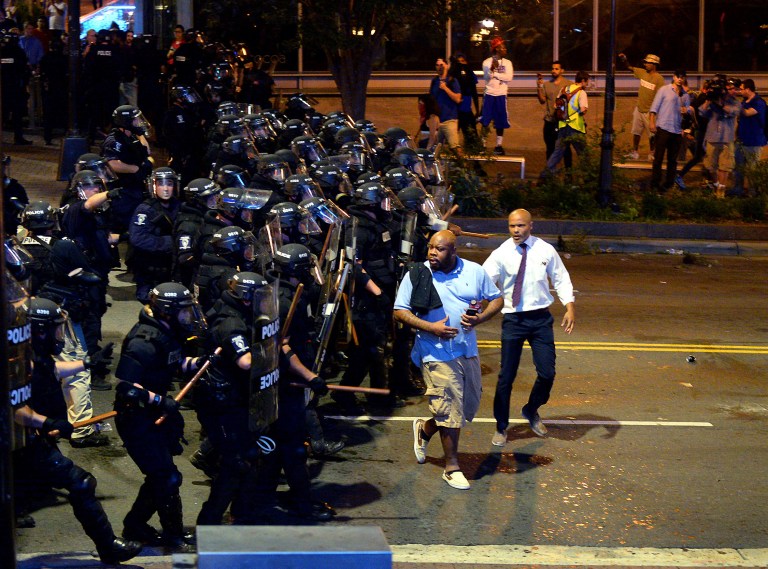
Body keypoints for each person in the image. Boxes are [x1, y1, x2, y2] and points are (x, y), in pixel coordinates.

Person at [11, 294, 143, 564]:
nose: (59, 334)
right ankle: (108, 547)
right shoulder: (19, 361)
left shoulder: (29, 352)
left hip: (29, 439)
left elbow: (51, 370)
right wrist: (46, 422)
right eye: (55, 328)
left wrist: (86, 364)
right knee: (80, 482)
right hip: (22, 437)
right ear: (38, 330)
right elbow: (13, 408)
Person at [394, 230, 503, 490]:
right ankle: (451, 467)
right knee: (449, 406)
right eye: (430, 247)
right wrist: (431, 328)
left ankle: (426, 428)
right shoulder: (418, 273)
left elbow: (496, 299)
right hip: (434, 350)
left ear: (453, 251)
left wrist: (480, 318)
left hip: (466, 349)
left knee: (466, 408)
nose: (432, 253)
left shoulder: (474, 271)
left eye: (439, 249)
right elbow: (400, 311)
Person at [114, 283, 204, 549]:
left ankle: (136, 526)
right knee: (166, 477)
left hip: (154, 415)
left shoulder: (167, 332)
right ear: (167, 312)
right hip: (137, 419)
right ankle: (171, 534)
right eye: (184, 312)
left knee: (162, 476)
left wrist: (199, 363)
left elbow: (174, 363)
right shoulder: (143, 340)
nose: (189, 317)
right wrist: (159, 400)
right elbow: (127, 386)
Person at [482, 209, 575, 445]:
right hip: (514, 320)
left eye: (521, 226)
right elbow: (483, 280)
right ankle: (501, 426)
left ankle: (531, 409)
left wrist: (569, 306)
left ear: (530, 226)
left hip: (541, 320)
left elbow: (561, 277)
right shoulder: (501, 253)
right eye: (512, 226)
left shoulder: (544, 250)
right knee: (506, 377)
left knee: (547, 373)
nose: (516, 230)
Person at [128, 167, 181, 302]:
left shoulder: (178, 206)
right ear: (153, 186)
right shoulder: (145, 209)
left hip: (170, 268)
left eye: (169, 184)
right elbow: (138, 238)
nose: (165, 188)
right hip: (150, 270)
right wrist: (171, 243)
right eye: (161, 184)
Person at [649, 69, 692, 192]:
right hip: (663, 128)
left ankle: (668, 183)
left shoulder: (685, 95)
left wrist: (686, 110)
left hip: (677, 130)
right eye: (678, 76)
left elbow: (688, 112)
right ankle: (655, 183)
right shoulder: (664, 90)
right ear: (673, 77)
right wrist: (652, 122)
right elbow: (654, 107)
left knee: (672, 160)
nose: (680, 79)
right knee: (658, 158)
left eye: (682, 77)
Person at [540, 71, 590, 177]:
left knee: (557, 153)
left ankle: (545, 175)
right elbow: (583, 110)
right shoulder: (582, 93)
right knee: (583, 153)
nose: (587, 84)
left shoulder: (564, 89)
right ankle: (589, 178)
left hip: (562, 126)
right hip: (576, 128)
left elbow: (555, 106)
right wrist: (578, 113)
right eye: (587, 82)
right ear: (583, 81)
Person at [697, 77, 740, 197]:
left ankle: (721, 191)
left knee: (724, 166)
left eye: (733, 89)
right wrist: (708, 100)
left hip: (727, 139)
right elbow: (702, 112)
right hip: (712, 138)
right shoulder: (713, 101)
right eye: (729, 88)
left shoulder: (735, 102)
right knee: (710, 166)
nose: (731, 91)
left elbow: (732, 111)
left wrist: (720, 104)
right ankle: (716, 184)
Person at [618, 53, 665, 160]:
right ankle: (635, 152)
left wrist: (656, 112)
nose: (646, 64)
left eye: (648, 62)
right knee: (636, 132)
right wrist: (624, 59)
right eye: (646, 62)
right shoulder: (642, 72)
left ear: (654, 64)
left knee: (652, 135)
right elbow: (629, 68)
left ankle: (652, 153)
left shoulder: (659, 79)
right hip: (639, 108)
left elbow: (661, 97)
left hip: (650, 111)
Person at [730, 79, 767, 197]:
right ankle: (738, 189)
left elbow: (746, 113)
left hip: (754, 141)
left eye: (741, 89)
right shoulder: (745, 101)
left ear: (748, 89)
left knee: (752, 168)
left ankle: (753, 192)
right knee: (739, 167)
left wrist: (736, 103)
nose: (740, 91)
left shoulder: (759, 102)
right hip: (742, 140)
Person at [479, 37, 513, 156]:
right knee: (485, 120)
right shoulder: (487, 62)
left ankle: (499, 145)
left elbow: (509, 77)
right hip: (489, 94)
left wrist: (496, 74)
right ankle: (482, 145)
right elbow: (488, 77)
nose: (505, 49)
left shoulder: (508, 62)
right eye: (503, 47)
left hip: (501, 94)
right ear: (497, 48)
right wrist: (492, 70)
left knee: (500, 120)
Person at [536, 61, 573, 167]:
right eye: (552, 69)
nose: (554, 71)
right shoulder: (547, 85)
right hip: (550, 121)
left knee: (565, 148)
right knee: (550, 148)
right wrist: (539, 86)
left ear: (562, 71)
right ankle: (550, 174)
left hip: (563, 121)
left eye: (556, 69)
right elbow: (542, 100)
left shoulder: (568, 84)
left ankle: (568, 174)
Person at [429, 58, 463, 156]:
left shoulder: (452, 81)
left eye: (441, 65)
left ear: (447, 66)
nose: (439, 67)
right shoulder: (434, 81)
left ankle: (463, 167)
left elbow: (457, 98)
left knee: (455, 147)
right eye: (437, 65)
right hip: (437, 121)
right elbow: (431, 100)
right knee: (435, 150)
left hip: (450, 120)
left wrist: (445, 88)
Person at [450, 52, 480, 145]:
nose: (461, 64)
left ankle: (473, 156)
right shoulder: (453, 73)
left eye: (462, 61)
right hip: (455, 110)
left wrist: (477, 110)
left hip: (466, 109)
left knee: (471, 136)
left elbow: (474, 92)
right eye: (458, 62)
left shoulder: (470, 73)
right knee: (452, 138)